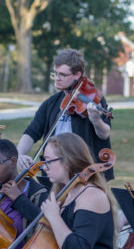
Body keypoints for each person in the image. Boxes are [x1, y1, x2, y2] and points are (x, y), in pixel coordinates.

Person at [16, 48, 112, 178]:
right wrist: (20, 154)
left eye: (62, 74)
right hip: (53, 171)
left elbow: (104, 134)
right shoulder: (51, 103)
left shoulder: (94, 98)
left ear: (77, 75)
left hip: (83, 171)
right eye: (55, 73)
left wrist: (96, 119)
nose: (57, 78)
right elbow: (31, 133)